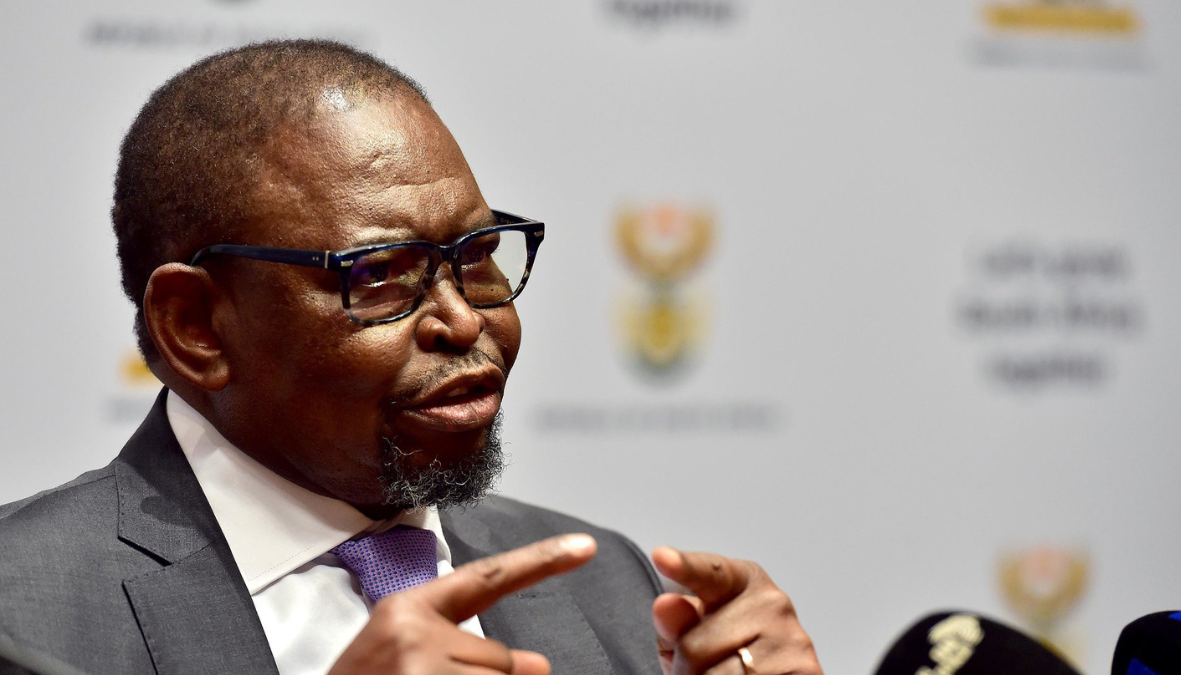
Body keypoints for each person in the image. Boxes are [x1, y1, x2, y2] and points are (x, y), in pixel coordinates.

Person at [0, 40, 822, 675]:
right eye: (380, 275)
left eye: (477, 256)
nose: (464, 321)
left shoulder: (610, 584)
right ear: (198, 327)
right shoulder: (21, 611)